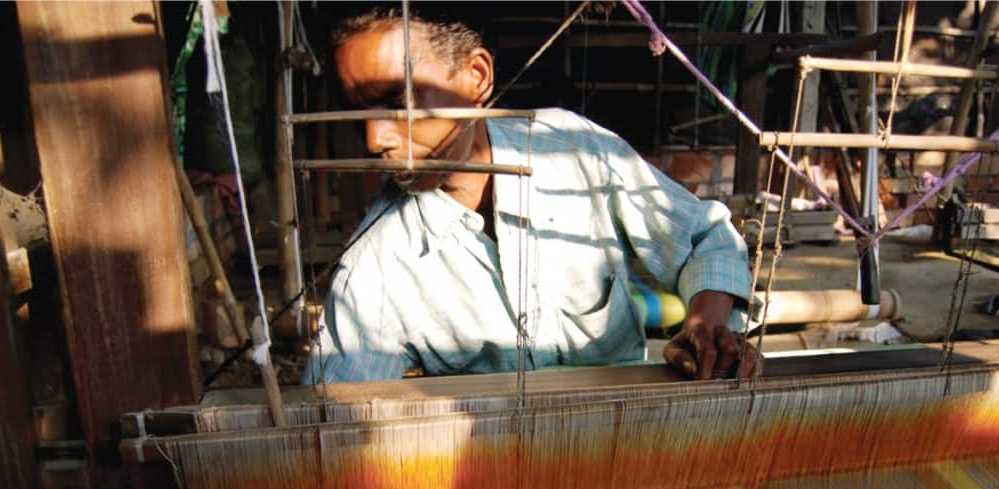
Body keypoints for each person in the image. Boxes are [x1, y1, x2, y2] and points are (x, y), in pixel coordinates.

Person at [302, 6, 757, 387]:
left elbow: (705, 238)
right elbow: (332, 419)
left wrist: (706, 325)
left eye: (397, 102)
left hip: (628, 439)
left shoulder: (574, 151)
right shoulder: (376, 263)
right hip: (490, 458)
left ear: (476, 77)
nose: (374, 139)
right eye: (358, 112)